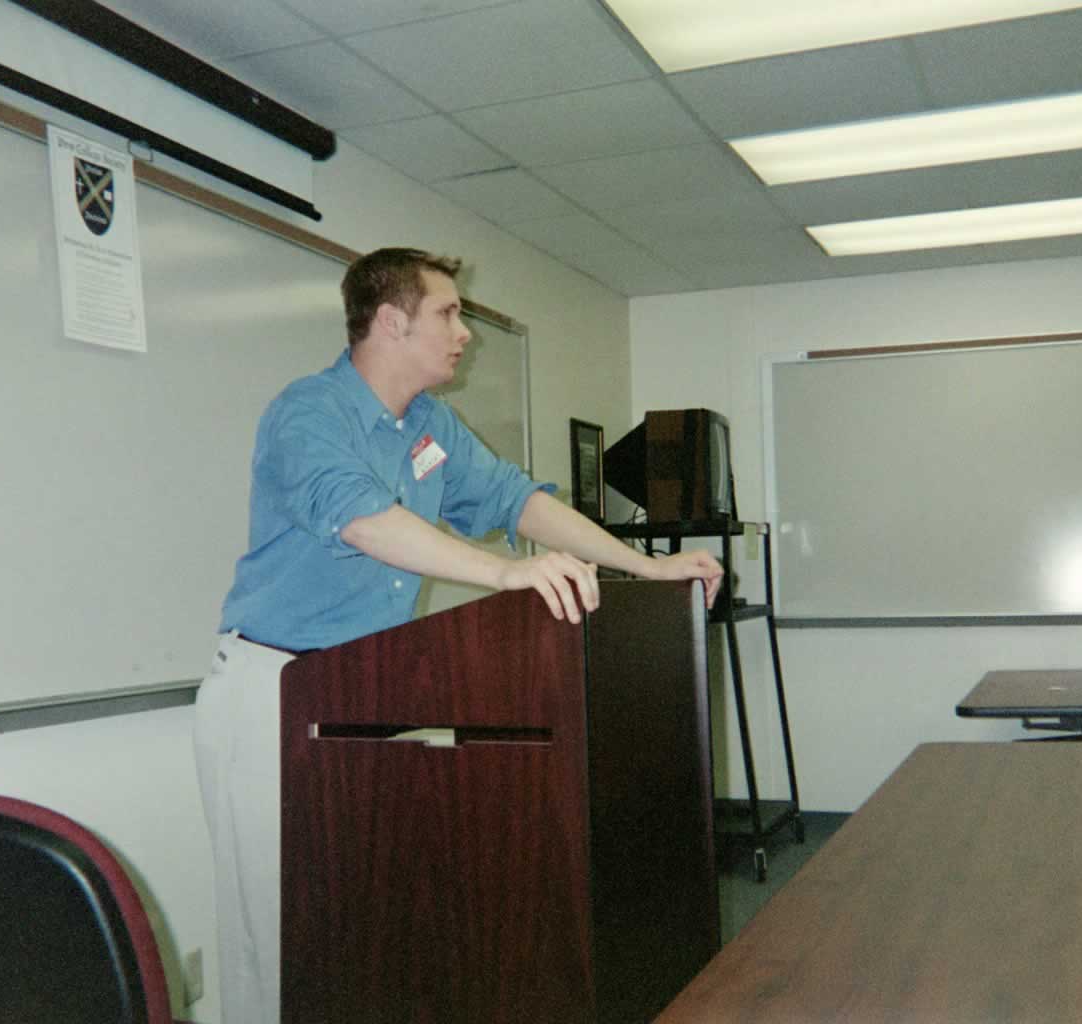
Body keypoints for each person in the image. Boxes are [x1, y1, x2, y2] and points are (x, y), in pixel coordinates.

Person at [193, 247, 723, 1023]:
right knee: (277, 940)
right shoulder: (309, 412)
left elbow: (521, 503)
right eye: (447, 313)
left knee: (365, 931)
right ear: (389, 321)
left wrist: (645, 568)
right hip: (271, 697)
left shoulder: (430, 425)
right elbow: (363, 520)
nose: (465, 332)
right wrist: (506, 575)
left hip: (369, 700)